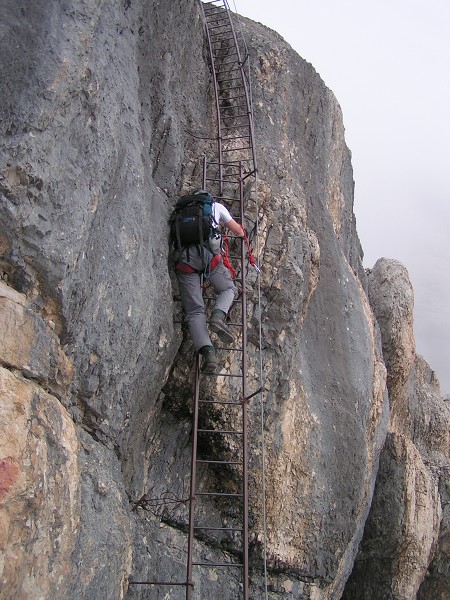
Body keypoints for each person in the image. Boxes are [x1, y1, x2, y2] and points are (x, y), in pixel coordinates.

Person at [173, 191, 245, 373]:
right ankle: (218, 316)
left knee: (194, 311)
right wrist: (243, 234)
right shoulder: (215, 207)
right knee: (228, 288)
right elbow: (237, 230)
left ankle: (209, 354)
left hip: (185, 261)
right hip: (208, 257)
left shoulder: (180, 213)